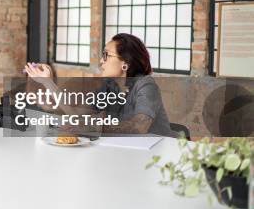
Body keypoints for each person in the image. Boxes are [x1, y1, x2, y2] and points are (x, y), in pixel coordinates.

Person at [25, 33, 174, 136]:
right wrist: (48, 82)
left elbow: (139, 126)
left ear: (125, 63)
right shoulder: (109, 86)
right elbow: (76, 115)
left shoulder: (146, 85)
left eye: (106, 55)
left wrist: (93, 127)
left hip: (161, 154)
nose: (101, 61)